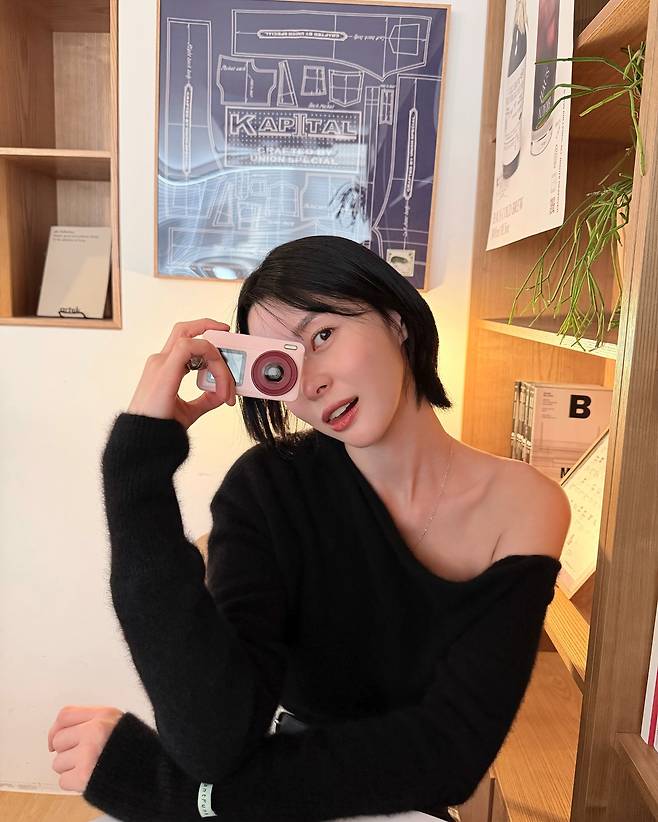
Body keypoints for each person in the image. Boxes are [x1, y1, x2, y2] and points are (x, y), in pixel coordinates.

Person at [48, 236, 570, 821]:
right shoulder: (267, 489)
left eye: (323, 335)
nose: (312, 383)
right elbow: (213, 741)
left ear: (397, 320)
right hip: (282, 792)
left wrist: (173, 794)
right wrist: (136, 468)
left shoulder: (528, 505)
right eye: (283, 365)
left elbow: (450, 754)